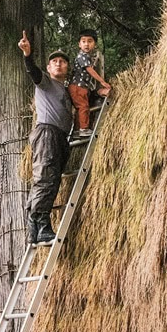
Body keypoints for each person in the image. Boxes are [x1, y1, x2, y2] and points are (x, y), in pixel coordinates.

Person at [18, 30, 72, 245]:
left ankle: (34, 227)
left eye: (62, 62)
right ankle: (41, 224)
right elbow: (33, 71)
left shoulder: (66, 90)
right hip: (47, 132)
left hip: (59, 136)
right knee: (45, 178)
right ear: (49, 68)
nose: (58, 64)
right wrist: (27, 55)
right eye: (54, 62)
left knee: (52, 179)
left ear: (67, 68)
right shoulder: (46, 83)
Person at [68, 29, 111, 138]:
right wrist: (102, 81)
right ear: (79, 44)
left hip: (80, 87)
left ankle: (77, 130)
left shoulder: (87, 57)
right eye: (83, 41)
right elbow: (89, 70)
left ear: (94, 44)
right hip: (78, 86)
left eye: (90, 41)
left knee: (80, 108)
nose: (86, 44)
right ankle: (83, 129)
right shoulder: (82, 56)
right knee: (83, 107)